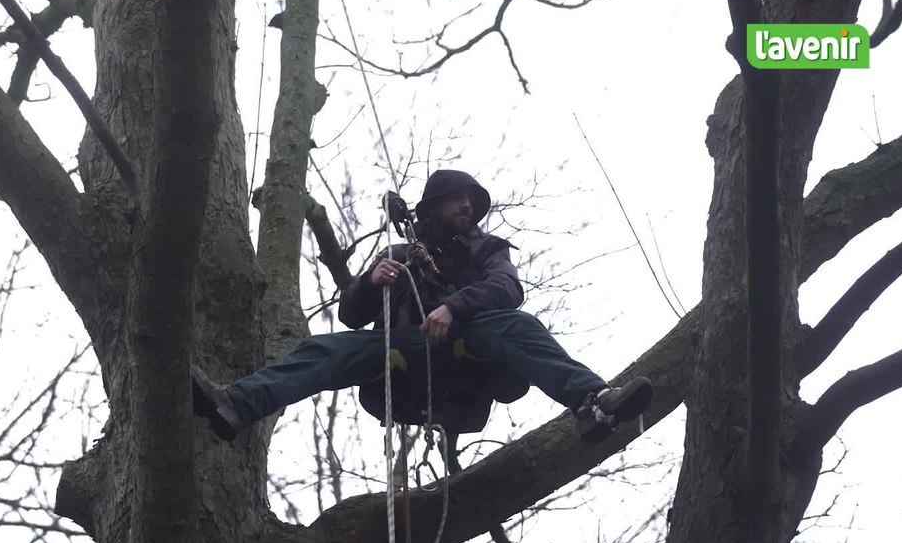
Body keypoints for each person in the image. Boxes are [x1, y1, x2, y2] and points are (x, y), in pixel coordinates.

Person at [191, 169, 652, 444]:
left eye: (471, 201)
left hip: (469, 353)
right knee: (327, 350)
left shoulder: (487, 248)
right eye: (458, 198)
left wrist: (453, 308)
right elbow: (352, 314)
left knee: (515, 325)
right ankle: (238, 403)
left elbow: (507, 289)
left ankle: (592, 402)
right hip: (405, 358)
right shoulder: (398, 254)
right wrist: (372, 282)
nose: (467, 206)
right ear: (434, 203)